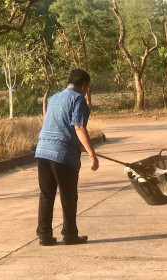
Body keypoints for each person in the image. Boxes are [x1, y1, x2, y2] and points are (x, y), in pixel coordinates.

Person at [35, 69, 99, 246]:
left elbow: (59, 126)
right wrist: (92, 154)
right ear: (84, 85)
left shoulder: (54, 97)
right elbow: (79, 127)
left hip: (42, 151)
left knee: (46, 194)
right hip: (62, 155)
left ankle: (44, 235)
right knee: (68, 195)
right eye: (87, 87)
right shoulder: (78, 99)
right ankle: (70, 234)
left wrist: (82, 146)